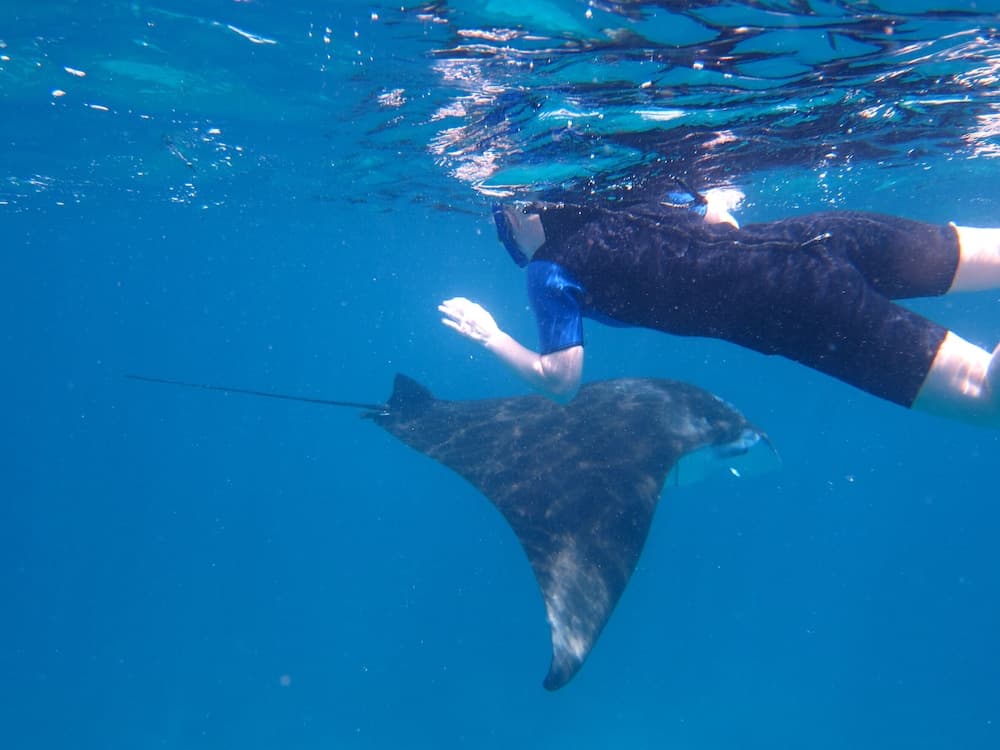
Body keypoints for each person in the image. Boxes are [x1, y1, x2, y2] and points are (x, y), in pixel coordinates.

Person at [439, 185, 1000, 428]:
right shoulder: (626, 195)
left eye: (503, 219)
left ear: (521, 215)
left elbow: (562, 381)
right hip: (825, 234)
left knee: (984, 397)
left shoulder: (549, 269)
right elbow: (715, 219)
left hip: (795, 305)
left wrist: (489, 335)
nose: (505, 230)